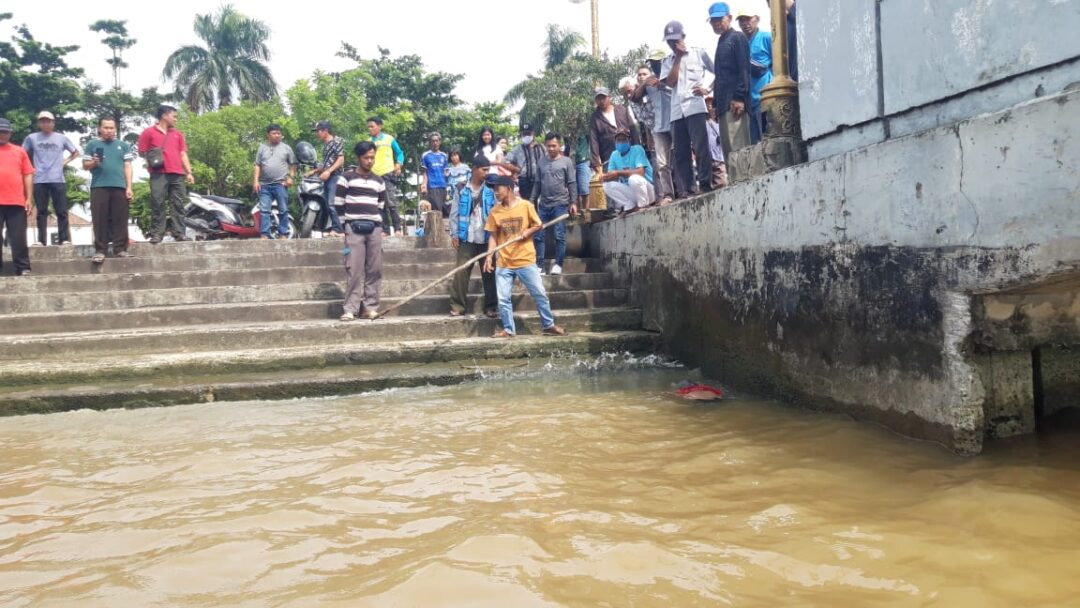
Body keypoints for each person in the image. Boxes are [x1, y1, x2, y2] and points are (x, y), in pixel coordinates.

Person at [483, 175, 566, 339]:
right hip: (504, 262)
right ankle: (508, 329)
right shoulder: (495, 211)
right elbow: (493, 235)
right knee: (503, 298)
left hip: (525, 259)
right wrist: (489, 256)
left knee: (539, 294)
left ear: (508, 188)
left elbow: (538, 224)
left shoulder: (526, 206)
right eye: (493, 190)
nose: (495, 193)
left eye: (497, 189)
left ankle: (548, 325)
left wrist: (528, 232)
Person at [660, 21, 715, 198]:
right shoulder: (667, 61)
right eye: (669, 41)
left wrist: (708, 89)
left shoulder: (698, 53)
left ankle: (706, 184)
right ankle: (689, 189)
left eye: (675, 40)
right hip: (677, 111)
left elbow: (719, 71)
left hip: (695, 107)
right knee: (681, 153)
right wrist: (678, 57)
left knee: (701, 148)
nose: (672, 44)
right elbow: (670, 82)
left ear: (683, 37)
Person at [334, 141, 386, 321]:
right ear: (359, 158)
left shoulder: (379, 181)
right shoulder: (346, 178)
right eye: (366, 157)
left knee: (375, 269)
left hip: (374, 228)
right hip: (353, 228)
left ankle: (370, 307)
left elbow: (381, 206)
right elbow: (338, 204)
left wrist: (379, 226)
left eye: (372, 157)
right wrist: (346, 226)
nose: (370, 161)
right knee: (354, 269)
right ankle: (350, 309)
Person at [446, 155, 498, 318]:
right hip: (466, 237)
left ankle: (491, 306)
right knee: (461, 272)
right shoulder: (461, 188)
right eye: (484, 170)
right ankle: (458, 306)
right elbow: (453, 213)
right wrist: (454, 234)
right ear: (475, 169)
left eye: (488, 170)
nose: (486, 173)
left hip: (486, 237)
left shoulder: (491, 188)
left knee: (489, 272)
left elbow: (496, 211)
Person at [137, 104, 194, 243]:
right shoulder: (148, 132)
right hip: (158, 173)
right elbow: (141, 151)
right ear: (164, 115)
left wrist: (189, 172)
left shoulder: (177, 134)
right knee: (158, 203)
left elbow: (183, 153)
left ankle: (179, 233)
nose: (176, 119)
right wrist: (154, 156)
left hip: (177, 174)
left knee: (178, 204)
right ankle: (157, 234)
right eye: (174, 116)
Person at [83, 117, 135, 264]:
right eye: (105, 128)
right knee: (100, 219)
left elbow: (128, 166)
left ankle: (120, 249)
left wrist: (129, 186)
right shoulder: (92, 144)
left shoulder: (123, 145)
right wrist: (93, 162)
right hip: (99, 185)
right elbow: (85, 165)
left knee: (120, 218)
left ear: (116, 129)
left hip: (119, 186)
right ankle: (100, 250)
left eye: (111, 128)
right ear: (100, 128)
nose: (109, 131)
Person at [23, 111, 79, 246]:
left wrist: (64, 162)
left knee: (61, 210)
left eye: (48, 121)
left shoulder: (61, 138)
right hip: (39, 179)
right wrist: (30, 168)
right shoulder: (32, 138)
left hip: (57, 178)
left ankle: (64, 238)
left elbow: (75, 152)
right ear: (39, 123)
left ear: (53, 123)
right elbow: (22, 154)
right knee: (41, 211)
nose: (45, 123)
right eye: (42, 121)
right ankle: (41, 240)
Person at [631, 51, 676, 204]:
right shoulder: (648, 84)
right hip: (658, 127)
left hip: (676, 122)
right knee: (662, 164)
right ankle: (668, 195)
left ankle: (685, 191)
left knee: (680, 158)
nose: (655, 64)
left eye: (658, 61)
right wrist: (645, 82)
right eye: (653, 62)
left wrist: (662, 81)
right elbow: (635, 98)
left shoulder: (671, 75)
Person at [710, 2, 752, 159]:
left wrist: (740, 97)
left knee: (740, 152)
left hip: (735, 104)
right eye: (713, 21)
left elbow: (744, 70)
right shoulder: (722, 41)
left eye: (720, 19)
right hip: (723, 106)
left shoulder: (737, 38)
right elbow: (720, 76)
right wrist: (715, 104)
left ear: (729, 17)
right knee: (729, 154)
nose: (717, 23)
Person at [534, 133, 577, 276]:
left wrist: (573, 202)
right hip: (544, 205)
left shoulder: (566, 161)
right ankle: (540, 265)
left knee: (560, 235)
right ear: (545, 146)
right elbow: (537, 183)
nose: (551, 148)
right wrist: (530, 201)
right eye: (549, 146)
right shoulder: (541, 162)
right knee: (539, 235)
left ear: (559, 146)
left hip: (561, 204)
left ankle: (558, 264)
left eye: (554, 146)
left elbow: (571, 182)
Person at [0, 118, 34, 276]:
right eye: (0, 131)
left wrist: (29, 198)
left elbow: (27, 174)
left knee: (18, 237)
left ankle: (22, 267)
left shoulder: (19, 151)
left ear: (10, 133)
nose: (2, 134)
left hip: (16, 201)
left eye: (5, 132)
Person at [253, 123, 297, 239]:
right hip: (265, 185)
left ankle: (282, 234)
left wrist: (291, 178)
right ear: (268, 135)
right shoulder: (262, 148)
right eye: (274, 133)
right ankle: (264, 235)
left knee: (283, 210)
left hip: (280, 184)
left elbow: (293, 164)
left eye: (279, 133)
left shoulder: (286, 148)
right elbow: (257, 165)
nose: (277, 135)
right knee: (264, 210)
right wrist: (255, 181)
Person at [736, 3, 772, 144]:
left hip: (766, 97)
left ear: (757, 19)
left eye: (748, 19)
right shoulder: (740, 43)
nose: (745, 24)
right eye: (742, 21)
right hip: (750, 102)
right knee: (754, 143)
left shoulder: (766, 37)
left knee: (769, 139)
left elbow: (779, 63)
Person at [305, 121, 345, 237]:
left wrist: (328, 171)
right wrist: (315, 171)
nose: (317, 134)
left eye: (318, 131)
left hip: (335, 177)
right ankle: (335, 229)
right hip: (328, 178)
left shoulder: (336, 142)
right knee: (327, 205)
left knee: (332, 204)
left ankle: (339, 230)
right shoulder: (326, 145)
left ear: (326, 131)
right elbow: (327, 164)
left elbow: (341, 160)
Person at [602, 129, 655, 215]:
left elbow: (640, 172)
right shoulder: (614, 155)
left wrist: (618, 173)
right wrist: (605, 177)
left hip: (648, 191)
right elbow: (612, 176)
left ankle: (643, 205)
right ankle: (630, 206)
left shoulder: (637, 149)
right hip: (633, 193)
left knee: (633, 179)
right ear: (615, 142)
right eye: (619, 140)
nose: (621, 143)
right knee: (606, 186)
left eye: (624, 140)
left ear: (629, 140)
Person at [588, 87, 639, 175]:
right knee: (613, 184)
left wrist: (638, 149)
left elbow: (633, 130)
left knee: (633, 180)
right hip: (609, 158)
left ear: (609, 97)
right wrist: (596, 162)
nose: (601, 101)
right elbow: (593, 141)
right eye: (598, 98)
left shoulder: (621, 109)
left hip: (629, 153)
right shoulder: (595, 118)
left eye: (603, 98)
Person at [367, 117, 404, 236]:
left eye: (372, 126)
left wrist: (398, 164)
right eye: (368, 127)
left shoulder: (389, 139)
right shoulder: (368, 141)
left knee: (391, 203)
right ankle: (385, 230)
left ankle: (398, 229)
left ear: (379, 126)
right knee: (379, 205)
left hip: (387, 173)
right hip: (373, 175)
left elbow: (400, 153)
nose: (370, 129)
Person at [505, 123, 544, 202]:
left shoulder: (541, 147)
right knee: (527, 203)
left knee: (540, 203)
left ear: (533, 134)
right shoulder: (517, 149)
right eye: (524, 134)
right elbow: (505, 160)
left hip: (540, 179)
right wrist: (514, 169)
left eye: (528, 134)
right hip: (525, 181)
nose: (526, 136)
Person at [621, 74, 654, 154]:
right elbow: (644, 122)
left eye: (630, 91)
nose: (628, 95)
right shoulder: (632, 104)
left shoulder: (649, 95)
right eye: (625, 93)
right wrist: (648, 138)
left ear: (636, 87)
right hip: (650, 134)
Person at [420, 132, 450, 217]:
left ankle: (444, 230)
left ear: (440, 142)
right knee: (436, 211)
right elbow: (425, 172)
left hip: (443, 186)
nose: (435, 143)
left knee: (445, 211)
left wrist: (448, 189)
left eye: (437, 141)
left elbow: (446, 172)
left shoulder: (444, 155)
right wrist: (424, 185)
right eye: (433, 141)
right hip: (432, 186)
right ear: (430, 142)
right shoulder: (426, 155)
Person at [705, 98, 730, 189]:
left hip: (719, 158)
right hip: (708, 159)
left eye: (712, 105)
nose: (710, 108)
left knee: (722, 184)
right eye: (708, 105)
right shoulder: (704, 123)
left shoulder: (722, 124)